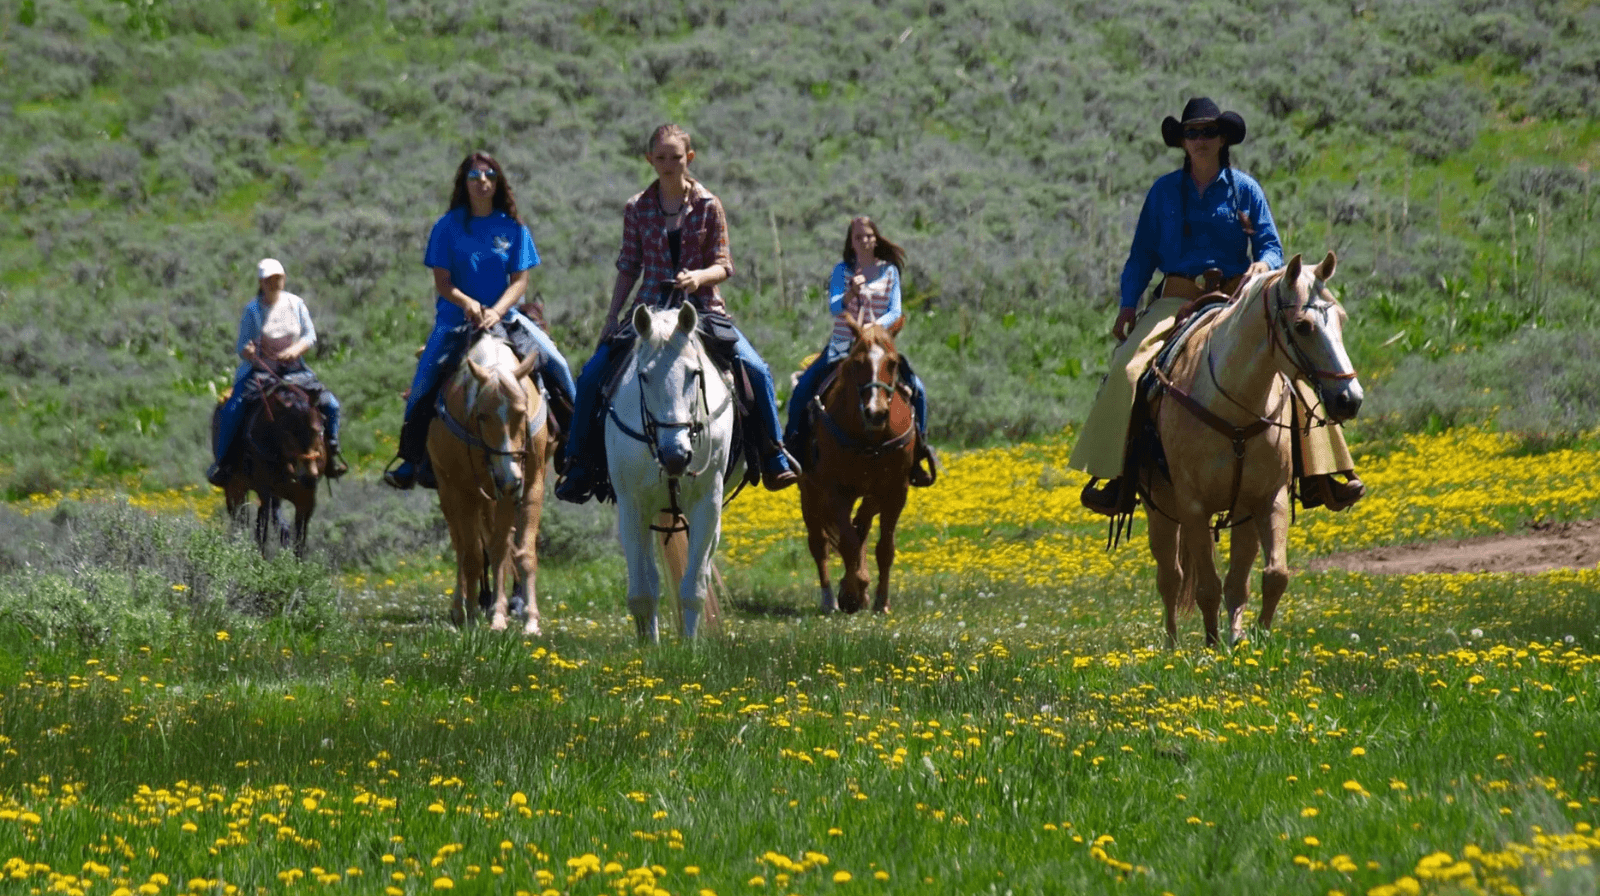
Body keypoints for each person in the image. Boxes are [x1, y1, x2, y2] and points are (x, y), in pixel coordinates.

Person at [1069, 97, 1365, 515]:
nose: (1200, 140)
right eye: (1191, 133)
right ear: (1183, 142)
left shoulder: (1246, 190)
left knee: (1296, 365)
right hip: (1177, 298)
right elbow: (1141, 256)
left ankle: (1321, 474)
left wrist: (1264, 263)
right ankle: (1119, 479)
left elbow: (1270, 245)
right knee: (1128, 369)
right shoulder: (1162, 193)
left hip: (1235, 299)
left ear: (1223, 138)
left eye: (1208, 132)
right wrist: (1127, 304)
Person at [554, 123, 798, 503]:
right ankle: (579, 464)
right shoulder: (637, 207)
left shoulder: (708, 205)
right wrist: (611, 317)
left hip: (701, 309)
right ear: (650, 158)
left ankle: (773, 454)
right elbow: (628, 265)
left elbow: (724, 265)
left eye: (676, 157)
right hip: (648, 310)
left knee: (757, 370)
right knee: (590, 378)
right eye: (661, 157)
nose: (668, 164)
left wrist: (698, 277)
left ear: (690, 158)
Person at [383, 151, 577, 490]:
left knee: (558, 364)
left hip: (507, 317)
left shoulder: (513, 228)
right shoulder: (447, 227)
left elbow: (520, 281)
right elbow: (443, 282)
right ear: (464, 183)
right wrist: (470, 304)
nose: (482, 182)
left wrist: (498, 310)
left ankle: (576, 453)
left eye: (488, 175)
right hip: (456, 320)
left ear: (498, 181)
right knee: (424, 381)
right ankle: (411, 459)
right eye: (475, 176)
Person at [783, 216, 936, 486]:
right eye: (858, 237)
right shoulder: (842, 271)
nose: (865, 240)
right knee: (803, 389)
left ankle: (918, 454)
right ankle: (792, 450)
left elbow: (895, 309)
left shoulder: (889, 271)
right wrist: (850, 294)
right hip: (844, 342)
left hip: (879, 343)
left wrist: (874, 328)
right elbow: (834, 307)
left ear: (876, 238)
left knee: (918, 390)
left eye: (868, 235)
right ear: (851, 243)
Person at [208, 257, 346, 486]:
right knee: (233, 409)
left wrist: (295, 350)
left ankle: (331, 452)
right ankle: (224, 463)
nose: (275, 283)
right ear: (261, 283)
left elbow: (309, 335)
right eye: (269, 280)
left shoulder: (295, 303)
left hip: (295, 372)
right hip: (260, 373)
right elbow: (242, 344)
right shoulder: (252, 310)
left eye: (278, 278)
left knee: (331, 405)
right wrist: (249, 351)